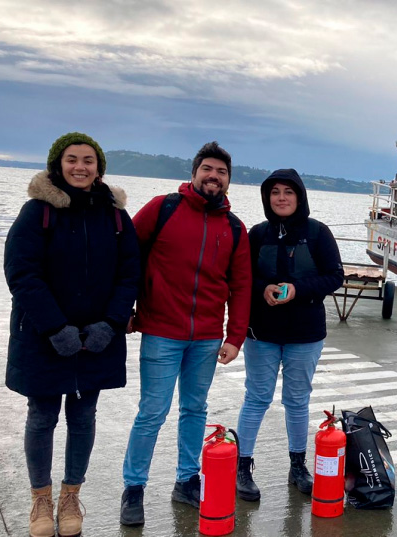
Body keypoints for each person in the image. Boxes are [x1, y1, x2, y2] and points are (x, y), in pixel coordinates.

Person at [3, 132, 140, 537]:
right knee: (42, 416)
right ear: (57, 165)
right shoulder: (37, 212)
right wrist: (54, 327)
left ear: (99, 167)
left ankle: (70, 496)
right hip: (44, 337)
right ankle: (41, 500)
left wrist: (112, 323)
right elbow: (22, 273)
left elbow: (130, 273)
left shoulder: (115, 216)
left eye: (88, 160)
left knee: (83, 416)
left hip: (97, 337)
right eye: (71, 160)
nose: (80, 167)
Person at [119, 142, 252, 526]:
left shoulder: (234, 227)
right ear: (194, 173)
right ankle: (134, 488)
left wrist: (235, 336)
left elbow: (241, 285)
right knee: (152, 413)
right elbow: (127, 256)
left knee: (195, 410)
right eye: (208, 169)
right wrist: (126, 309)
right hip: (162, 331)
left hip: (208, 337)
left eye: (222, 172)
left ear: (229, 180)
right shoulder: (164, 208)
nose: (214, 176)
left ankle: (187, 480)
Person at [234, 169, 345, 502]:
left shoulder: (318, 233)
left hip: (305, 334)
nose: (281, 198)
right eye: (274, 192)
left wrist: (298, 289)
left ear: (300, 197)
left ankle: (297, 466)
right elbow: (240, 279)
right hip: (262, 333)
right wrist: (262, 288)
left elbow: (335, 276)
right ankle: (243, 466)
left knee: (297, 401)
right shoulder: (256, 234)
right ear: (267, 198)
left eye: (288, 192)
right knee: (256, 398)